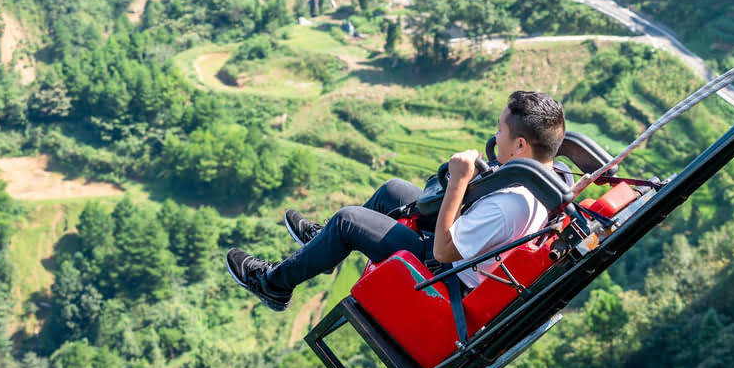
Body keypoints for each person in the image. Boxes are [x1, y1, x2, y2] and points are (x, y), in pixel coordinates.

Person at [226, 91, 566, 310]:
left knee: (349, 220)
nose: (495, 137)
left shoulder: (509, 205)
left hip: (446, 272)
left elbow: (444, 252)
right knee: (393, 190)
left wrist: (459, 182)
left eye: (501, 132)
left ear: (521, 145)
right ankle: (323, 248)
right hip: (469, 249)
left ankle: (274, 285)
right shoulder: (546, 178)